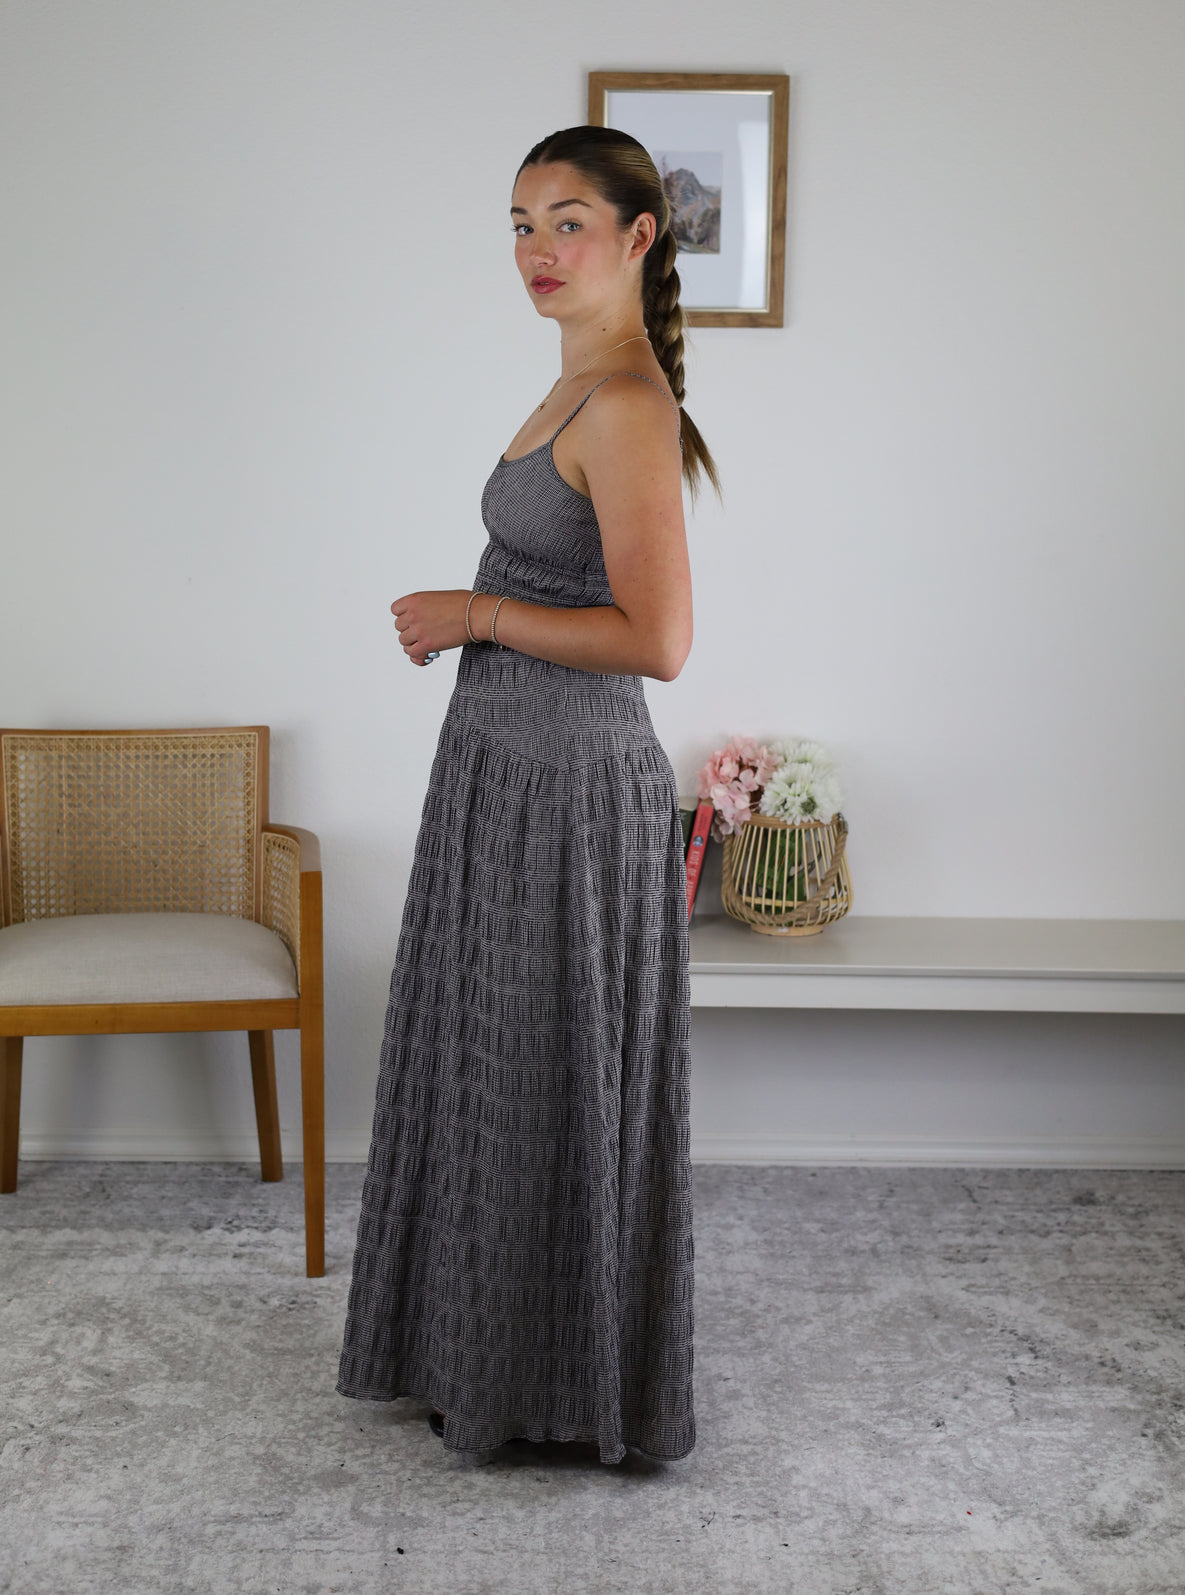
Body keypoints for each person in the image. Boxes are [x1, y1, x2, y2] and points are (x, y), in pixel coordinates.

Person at [336, 124, 720, 1466]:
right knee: (496, 1073)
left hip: (570, 799)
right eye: (518, 225)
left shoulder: (627, 406)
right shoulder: (574, 387)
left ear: (636, 237)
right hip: (504, 779)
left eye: (566, 223)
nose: (536, 252)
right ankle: (482, 1362)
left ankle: (550, 1387)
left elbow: (659, 642)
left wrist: (478, 611)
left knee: (539, 1080)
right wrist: (478, 627)